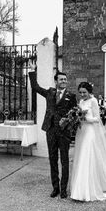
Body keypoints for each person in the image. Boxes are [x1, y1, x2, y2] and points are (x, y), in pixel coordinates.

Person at [29, 70, 77, 198]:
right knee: (53, 159)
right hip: (50, 130)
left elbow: (75, 114)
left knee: (65, 161)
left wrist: (68, 124)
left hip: (64, 132)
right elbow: (35, 87)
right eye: (61, 79)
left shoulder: (71, 96)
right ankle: (55, 187)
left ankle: (63, 189)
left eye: (65, 79)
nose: (64, 81)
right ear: (56, 81)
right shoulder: (50, 92)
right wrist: (32, 72)